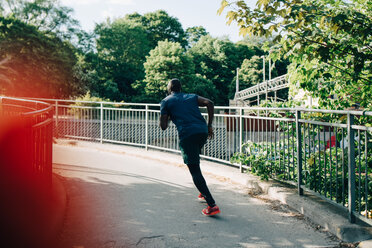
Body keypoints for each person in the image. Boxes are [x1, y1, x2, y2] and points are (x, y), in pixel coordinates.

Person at [159, 78, 220, 216]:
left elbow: (163, 127)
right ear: (180, 88)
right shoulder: (191, 96)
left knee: (194, 169)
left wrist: (167, 115)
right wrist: (209, 125)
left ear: (169, 89)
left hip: (187, 135)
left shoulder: (166, 101)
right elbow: (209, 103)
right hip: (202, 132)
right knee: (195, 160)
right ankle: (203, 191)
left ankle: (212, 205)